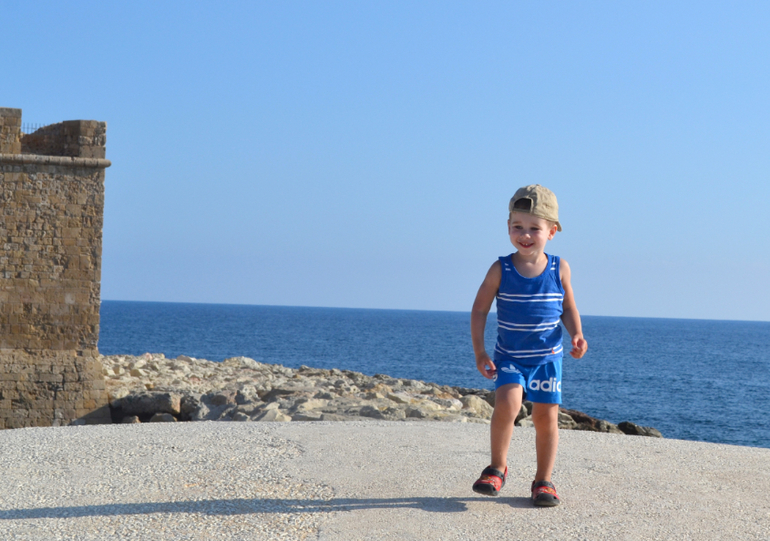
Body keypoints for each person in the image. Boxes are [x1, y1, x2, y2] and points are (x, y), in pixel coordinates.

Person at [470, 184, 587, 507]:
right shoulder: (501, 269)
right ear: (508, 227)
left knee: (546, 419)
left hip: (547, 359)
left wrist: (577, 334)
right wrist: (480, 352)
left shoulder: (559, 268)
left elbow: (568, 307)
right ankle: (496, 468)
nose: (525, 235)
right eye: (517, 226)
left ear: (552, 231)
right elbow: (479, 309)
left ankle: (543, 481)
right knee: (506, 405)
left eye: (534, 228)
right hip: (509, 357)